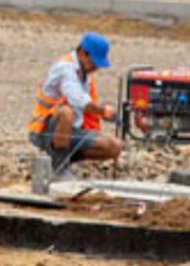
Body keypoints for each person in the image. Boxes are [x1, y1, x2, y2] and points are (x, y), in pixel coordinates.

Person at [27, 31, 124, 178]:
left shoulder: (86, 75)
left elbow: (87, 108)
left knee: (114, 147)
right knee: (66, 112)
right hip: (44, 129)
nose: (96, 68)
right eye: (95, 63)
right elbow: (78, 100)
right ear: (83, 53)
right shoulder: (65, 68)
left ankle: (59, 159)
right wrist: (103, 111)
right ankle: (60, 168)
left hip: (71, 131)